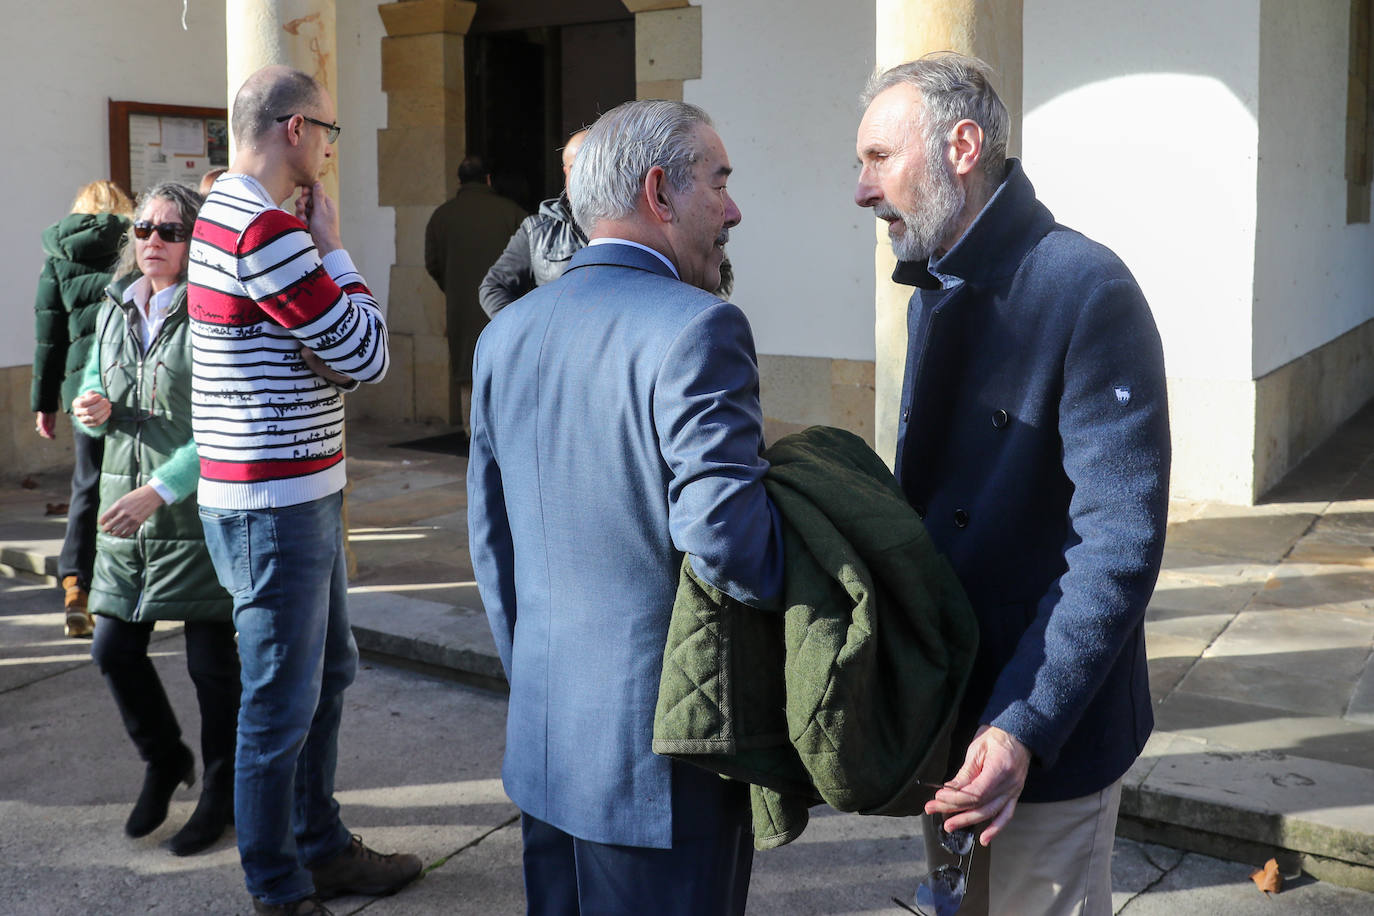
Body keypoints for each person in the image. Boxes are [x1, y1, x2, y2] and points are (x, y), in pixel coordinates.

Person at [853, 53, 1170, 915]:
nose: (861, 189)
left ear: (962, 146)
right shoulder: (935, 286)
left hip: (1046, 728)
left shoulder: (1087, 286)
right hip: (952, 714)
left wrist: (1024, 720)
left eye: (879, 158)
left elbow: (1120, 541)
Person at [468, 99, 784, 915]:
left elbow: (490, 542)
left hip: (546, 742)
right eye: (720, 183)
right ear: (660, 192)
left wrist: (537, 675)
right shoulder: (700, 328)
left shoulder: (504, 334)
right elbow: (728, 540)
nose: (734, 210)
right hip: (661, 760)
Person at [186, 65, 418, 915]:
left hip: (287, 491)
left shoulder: (225, 212)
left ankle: (320, 848)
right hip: (274, 506)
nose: (329, 144)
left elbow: (332, 352)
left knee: (325, 674)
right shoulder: (267, 232)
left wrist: (325, 339)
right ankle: (280, 889)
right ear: (294, 130)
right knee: (280, 706)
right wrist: (338, 247)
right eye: (328, 128)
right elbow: (367, 357)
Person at [72, 181, 241, 857]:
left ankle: (221, 796)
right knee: (112, 649)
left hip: (194, 511)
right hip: (125, 509)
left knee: (212, 668)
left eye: (171, 231)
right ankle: (164, 758)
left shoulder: (213, 311)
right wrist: (89, 401)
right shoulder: (115, 306)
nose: (153, 242)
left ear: (196, 240)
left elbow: (229, 422)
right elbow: (91, 375)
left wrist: (161, 490)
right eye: (144, 229)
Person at [30, 179, 133, 638]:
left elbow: (48, 335)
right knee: (141, 480)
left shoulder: (59, 254)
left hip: (81, 389)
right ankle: (133, 581)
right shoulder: (136, 244)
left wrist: (44, 403)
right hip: (131, 383)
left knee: (88, 485)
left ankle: (76, 585)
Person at [423, 155, 527, 435]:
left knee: (468, 372)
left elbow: (432, 263)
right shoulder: (512, 212)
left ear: (459, 181)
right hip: (505, 308)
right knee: (507, 370)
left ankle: (472, 434)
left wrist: (454, 287)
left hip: (460, 307)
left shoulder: (442, 216)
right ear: (489, 179)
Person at [477, 130, 588, 316]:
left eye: (593, 167)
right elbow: (493, 287)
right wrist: (527, 334)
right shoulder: (537, 230)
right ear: (566, 172)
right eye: (577, 167)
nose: (586, 176)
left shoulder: (628, 224)